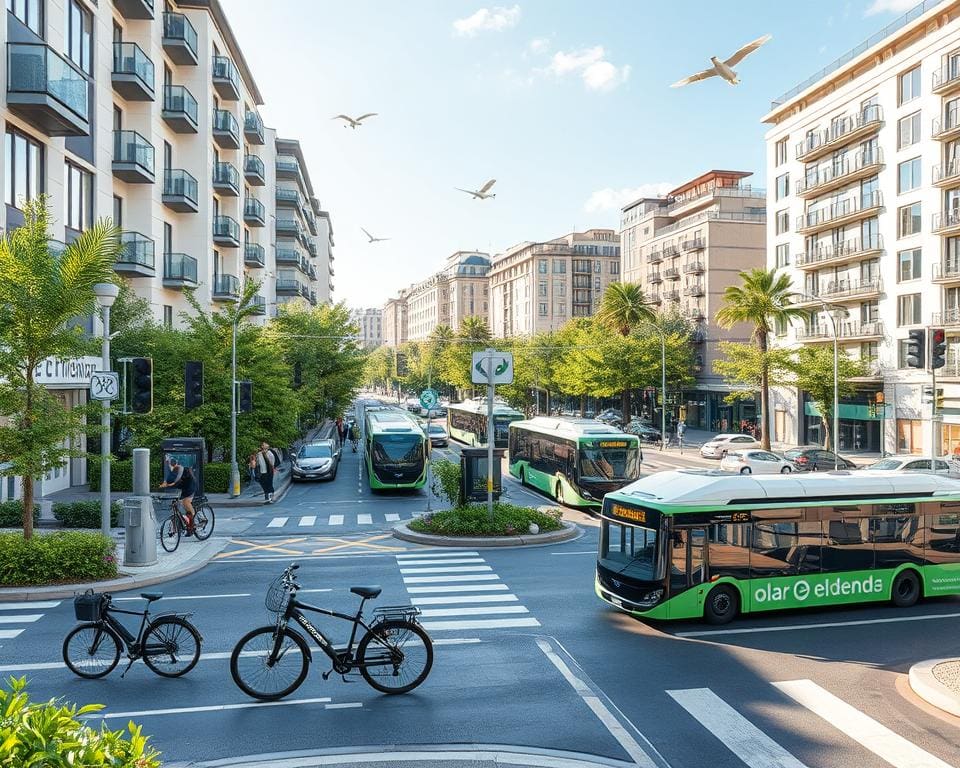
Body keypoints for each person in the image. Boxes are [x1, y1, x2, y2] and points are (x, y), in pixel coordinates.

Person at [159, 456, 196, 535]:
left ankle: (192, 524)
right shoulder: (173, 469)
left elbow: (176, 480)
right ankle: (177, 526)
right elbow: (169, 479)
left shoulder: (181, 469)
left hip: (190, 487)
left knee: (186, 502)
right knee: (175, 505)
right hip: (182, 488)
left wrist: (168, 484)